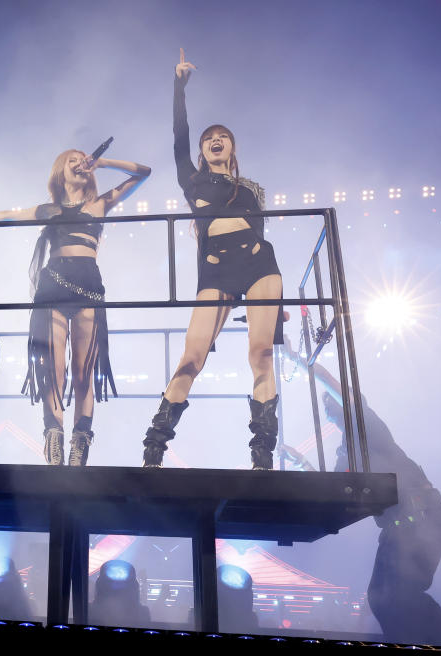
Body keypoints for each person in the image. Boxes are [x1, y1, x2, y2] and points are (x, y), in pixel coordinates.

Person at [141, 49, 283, 469]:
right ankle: (155, 444)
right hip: (217, 268)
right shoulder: (192, 178)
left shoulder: (253, 188)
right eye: (208, 138)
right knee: (192, 356)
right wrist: (179, 86)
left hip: (260, 265)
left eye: (221, 136)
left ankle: (262, 454)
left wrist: (281, 306)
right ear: (203, 150)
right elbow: (178, 133)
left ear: (232, 147)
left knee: (261, 352)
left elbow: (261, 233)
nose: (214, 140)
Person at [281, 341, 441, 646]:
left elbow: (333, 385)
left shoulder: (368, 426)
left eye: (333, 404)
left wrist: (297, 359)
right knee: (385, 598)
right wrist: (298, 462)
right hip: (401, 525)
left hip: (422, 516)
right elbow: (329, 487)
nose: (329, 409)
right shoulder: (346, 453)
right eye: (328, 408)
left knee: (395, 596)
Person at [0, 150, 149, 465]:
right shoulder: (49, 209)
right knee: (53, 371)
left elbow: (144, 172)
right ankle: (53, 437)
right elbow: (6, 215)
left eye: (83, 158)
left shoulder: (99, 204)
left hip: (88, 287)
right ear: (60, 169)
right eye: (72, 158)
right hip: (53, 288)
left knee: (85, 372)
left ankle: (80, 441)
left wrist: (105, 162)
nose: (79, 161)